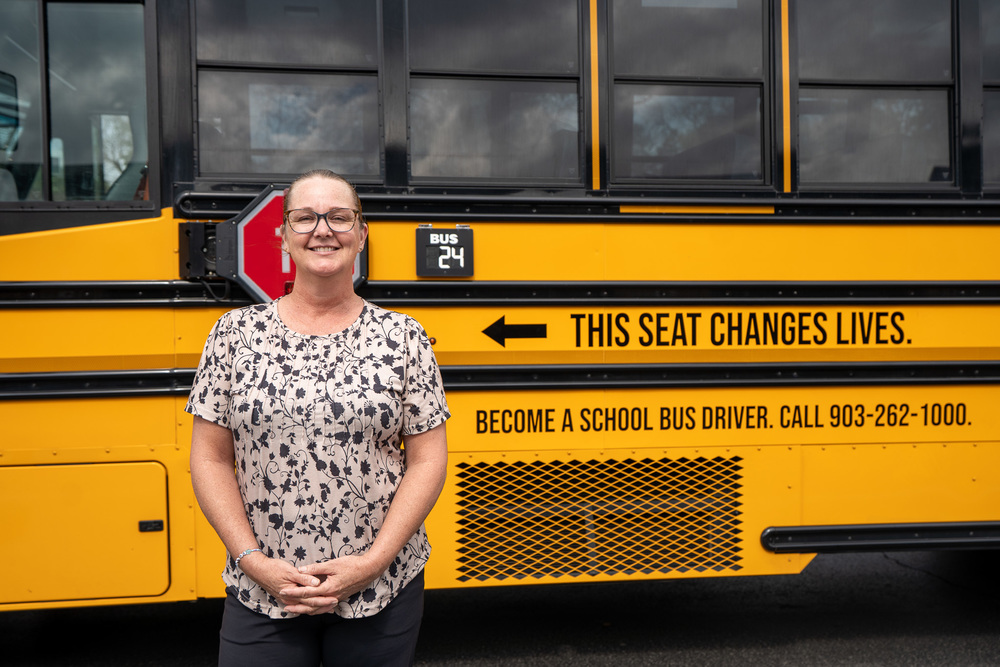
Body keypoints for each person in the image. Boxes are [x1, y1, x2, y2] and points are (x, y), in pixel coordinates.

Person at [186, 169, 450, 667]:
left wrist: (372, 564)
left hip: (382, 591)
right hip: (262, 591)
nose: (322, 229)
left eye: (339, 217)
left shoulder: (404, 336)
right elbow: (211, 459)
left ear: (362, 234)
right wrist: (253, 562)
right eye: (305, 217)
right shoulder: (232, 334)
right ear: (283, 236)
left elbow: (427, 461)